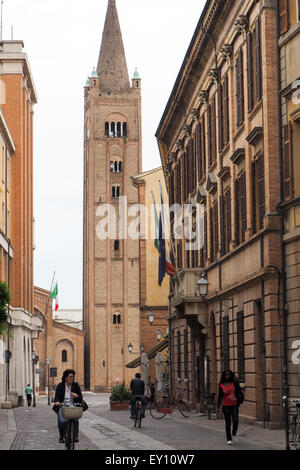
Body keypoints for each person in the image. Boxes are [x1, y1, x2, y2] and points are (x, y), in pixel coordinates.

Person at [53, 369, 83, 444]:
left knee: (75, 419)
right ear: (66, 377)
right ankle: (62, 436)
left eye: (73, 376)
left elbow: (81, 397)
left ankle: (75, 436)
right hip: (63, 406)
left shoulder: (75, 385)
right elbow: (56, 397)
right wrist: (57, 402)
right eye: (70, 377)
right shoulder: (60, 385)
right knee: (62, 421)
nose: (72, 378)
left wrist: (77, 396)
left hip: (73, 405)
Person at [217, 370, 244, 445]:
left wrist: (237, 380)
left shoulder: (234, 383)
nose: (227, 376)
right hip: (225, 405)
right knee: (228, 422)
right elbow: (220, 396)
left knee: (235, 420)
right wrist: (218, 406)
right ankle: (229, 438)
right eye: (226, 375)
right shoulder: (221, 385)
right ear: (224, 376)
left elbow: (239, 391)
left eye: (229, 375)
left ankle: (234, 433)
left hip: (234, 404)